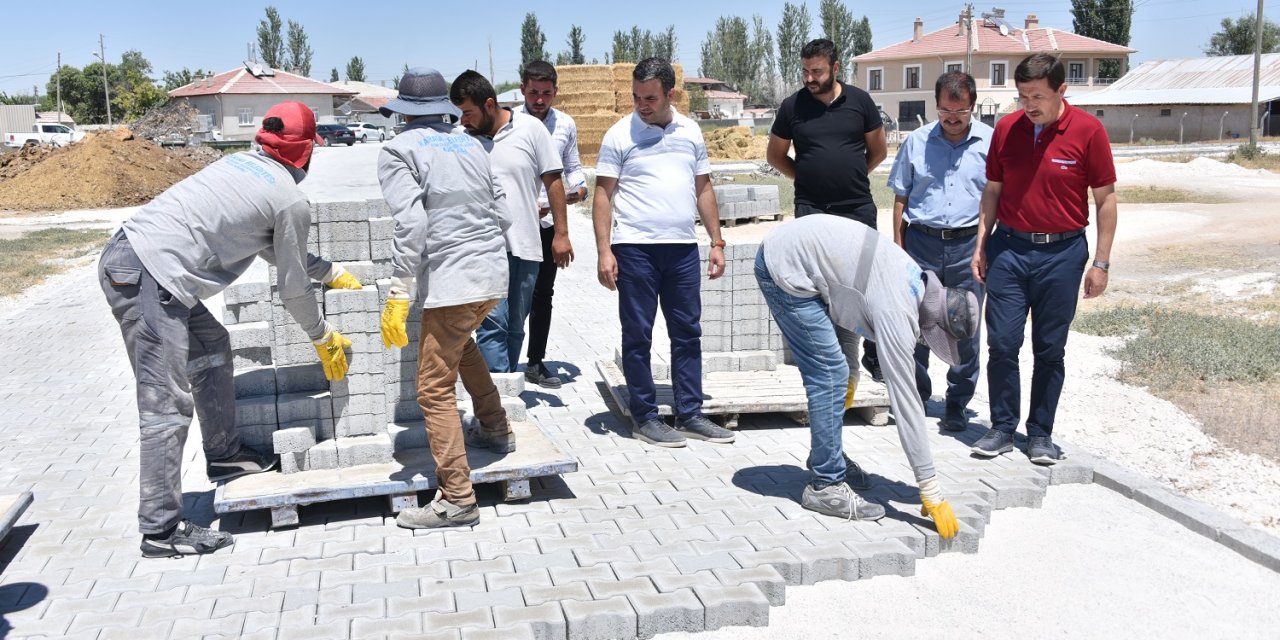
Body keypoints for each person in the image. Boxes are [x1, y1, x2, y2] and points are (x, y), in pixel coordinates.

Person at [98, 101, 363, 558]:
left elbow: (272, 248)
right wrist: (322, 336)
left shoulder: (239, 164)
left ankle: (224, 455)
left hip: (136, 264)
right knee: (166, 405)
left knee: (213, 344)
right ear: (304, 150)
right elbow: (292, 287)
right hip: (148, 277)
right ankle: (161, 530)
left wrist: (330, 271)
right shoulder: (290, 198)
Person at [755, 214, 975, 537]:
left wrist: (854, 371)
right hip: (785, 267)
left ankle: (826, 456)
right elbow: (906, 401)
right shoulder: (898, 312)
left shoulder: (913, 280)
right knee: (829, 373)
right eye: (933, 339)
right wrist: (929, 486)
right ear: (932, 326)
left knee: (839, 371)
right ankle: (825, 485)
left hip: (801, 258)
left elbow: (848, 301)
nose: (925, 343)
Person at [376, 68, 514, 530]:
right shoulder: (472, 143)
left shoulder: (398, 150)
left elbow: (411, 226)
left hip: (454, 283)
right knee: (460, 345)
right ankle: (495, 428)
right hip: (492, 275)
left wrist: (400, 289)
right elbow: (504, 207)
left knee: (433, 389)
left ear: (403, 112)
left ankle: (457, 498)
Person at [970, 53, 1118, 465]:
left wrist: (1101, 263)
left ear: (1061, 91)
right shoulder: (1005, 130)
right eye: (1021, 97)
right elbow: (993, 192)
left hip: (1063, 254)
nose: (1028, 105)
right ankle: (1001, 428)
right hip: (1010, 251)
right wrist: (982, 244)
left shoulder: (1089, 131)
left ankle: (1040, 434)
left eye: (1037, 96)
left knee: (1050, 348)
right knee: (1001, 342)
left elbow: (1105, 201)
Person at [592, 57, 735, 448]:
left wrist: (716, 241)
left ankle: (690, 413)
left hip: (682, 250)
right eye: (637, 97)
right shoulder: (619, 135)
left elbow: (703, 188)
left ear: (671, 94)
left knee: (687, 332)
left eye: (650, 97)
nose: (642, 104)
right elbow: (603, 195)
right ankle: (645, 417)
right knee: (637, 334)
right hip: (635, 248)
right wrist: (605, 251)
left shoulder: (690, 132)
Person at [767, 38, 890, 382]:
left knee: (862, 284)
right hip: (812, 210)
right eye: (805, 71)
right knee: (818, 287)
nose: (810, 77)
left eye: (817, 71)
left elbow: (878, 151)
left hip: (856, 209)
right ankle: (827, 366)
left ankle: (872, 357)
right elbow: (774, 156)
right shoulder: (792, 107)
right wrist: (804, 178)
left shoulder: (861, 102)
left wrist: (851, 175)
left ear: (836, 68)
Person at [887, 71, 992, 432]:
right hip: (922, 245)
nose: (951, 118)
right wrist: (900, 251)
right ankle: (916, 398)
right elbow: (900, 198)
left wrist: (983, 247)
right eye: (945, 111)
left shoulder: (990, 144)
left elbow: (996, 200)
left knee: (965, 325)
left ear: (972, 107)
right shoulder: (916, 143)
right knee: (915, 323)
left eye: (959, 112)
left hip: (967, 248)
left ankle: (957, 404)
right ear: (936, 106)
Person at [450, 70, 571, 375]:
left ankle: (503, 393)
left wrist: (561, 234)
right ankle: (496, 403)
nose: (463, 120)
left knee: (515, 326)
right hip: (480, 250)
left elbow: (554, 181)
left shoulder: (531, 130)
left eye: (468, 113)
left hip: (525, 247)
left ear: (489, 105)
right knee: (493, 324)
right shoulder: (458, 139)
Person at [520, 60, 588, 389]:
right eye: (533, 93)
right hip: (514, 228)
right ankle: (501, 363)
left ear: (555, 92)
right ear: (523, 90)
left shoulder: (565, 125)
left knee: (542, 294)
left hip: (548, 225)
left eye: (546, 93)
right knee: (509, 296)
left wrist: (580, 187)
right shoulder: (509, 124)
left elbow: (573, 167)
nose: (540, 100)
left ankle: (535, 362)